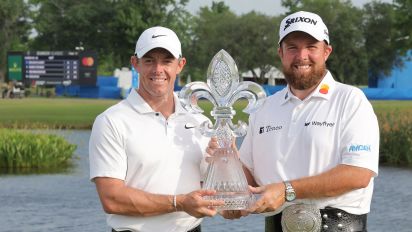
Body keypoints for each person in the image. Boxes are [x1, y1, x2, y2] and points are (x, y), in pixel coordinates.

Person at [209, 11, 379, 231]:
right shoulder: (264, 108)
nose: (302, 55)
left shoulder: (350, 100)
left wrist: (286, 190)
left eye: (311, 46)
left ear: (326, 51)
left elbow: (358, 174)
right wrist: (228, 162)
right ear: (281, 53)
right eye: (292, 47)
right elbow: (249, 180)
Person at [89, 26, 224, 232]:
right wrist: (179, 203)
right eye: (149, 60)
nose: (158, 69)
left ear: (180, 65)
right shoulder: (111, 121)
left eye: (167, 61)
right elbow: (112, 199)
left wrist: (224, 161)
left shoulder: (199, 120)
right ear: (136, 63)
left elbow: (214, 188)